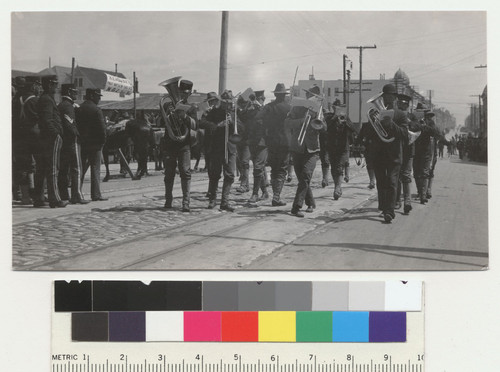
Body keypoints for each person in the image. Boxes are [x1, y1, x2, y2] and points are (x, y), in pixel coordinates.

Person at [369, 84, 410, 223]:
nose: (386, 98)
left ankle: (389, 211)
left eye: (389, 95)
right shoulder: (376, 113)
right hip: (379, 154)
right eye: (384, 96)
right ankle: (383, 206)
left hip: (394, 154)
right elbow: (371, 134)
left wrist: (391, 124)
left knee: (392, 182)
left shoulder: (401, 115)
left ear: (394, 97)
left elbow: (405, 134)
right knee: (381, 183)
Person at [285, 85, 327, 217]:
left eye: (316, 97)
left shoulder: (319, 110)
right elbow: (287, 123)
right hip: (297, 147)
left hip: (312, 149)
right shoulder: (297, 107)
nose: (313, 98)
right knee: (303, 179)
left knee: (306, 176)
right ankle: (311, 203)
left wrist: (318, 123)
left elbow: (324, 128)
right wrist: (303, 120)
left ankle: (296, 207)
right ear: (307, 96)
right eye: (311, 95)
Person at [200, 90, 244, 211]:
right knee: (215, 174)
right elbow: (202, 123)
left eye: (229, 102)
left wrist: (232, 122)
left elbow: (242, 128)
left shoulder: (233, 113)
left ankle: (224, 201)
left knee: (229, 175)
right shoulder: (214, 112)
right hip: (217, 147)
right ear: (221, 102)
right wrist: (218, 125)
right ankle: (212, 199)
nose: (227, 104)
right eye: (225, 102)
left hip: (230, 148)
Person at [255, 83, 291, 206]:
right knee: (282, 168)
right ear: (284, 95)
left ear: (275, 94)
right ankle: (276, 196)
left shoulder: (268, 107)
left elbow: (258, 118)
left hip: (271, 141)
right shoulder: (289, 108)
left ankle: (275, 195)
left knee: (274, 168)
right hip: (285, 142)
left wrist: (267, 128)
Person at [35, 75, 68, 208]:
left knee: (42, 169)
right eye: (55, 84)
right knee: (53, 168)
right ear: (49, 85)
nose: (56, 87)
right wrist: (56, 134)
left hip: (44, 138)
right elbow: (48, 120)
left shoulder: (44, 98)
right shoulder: (48, 100)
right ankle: (55, 199)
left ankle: (39, 198)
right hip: (51, 138)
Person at [162, 102, 197, 212]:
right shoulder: (168, 105)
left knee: (185, 172)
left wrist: (184, 116)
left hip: (184, 145)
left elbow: (195, 125)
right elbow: (160, 122)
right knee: (169, 173)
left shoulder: (190, 108)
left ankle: (186, 202)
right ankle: (168, 200)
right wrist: (167, 113)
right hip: (170, 145)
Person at [58, 83, 89, 204]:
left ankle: (64, 194)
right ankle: (77, 195)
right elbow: (70, 124)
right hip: (72, 141)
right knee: (77, 168)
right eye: (75, 92)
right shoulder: (68, 106)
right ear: (70, 92)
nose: (76, 94)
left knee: (64, 169)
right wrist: (77, 135)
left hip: (63, 141)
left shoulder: (61, 105)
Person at [12, 76, 40, 205]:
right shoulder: (34, 100)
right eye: (37, 85)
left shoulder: (16, 99)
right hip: (33, 137)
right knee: (34, 166)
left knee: (22, 166)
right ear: (33, 86)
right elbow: (38, 118)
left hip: (18, 136)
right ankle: (35, 194)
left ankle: (25, 196)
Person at [77, 88, 107, 201]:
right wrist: (103, 142)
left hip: (83, 143)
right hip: (95, 145)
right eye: (98, 96)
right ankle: (96, 194)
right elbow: (102, 129)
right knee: (95, 169)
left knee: (81, 169)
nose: (99, 98)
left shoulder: (80, 108)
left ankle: (77, 192)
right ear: (92, 96)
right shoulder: (96, 110)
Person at [239, 90, 268, 203]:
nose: (255, 101)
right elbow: (241, 117)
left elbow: (267, 121)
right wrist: (247, 107)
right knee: (258, 169)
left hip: (263, 142)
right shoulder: (250, 111)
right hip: (252, 142)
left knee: (257, 167)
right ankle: (265, 192)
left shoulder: (265, 110)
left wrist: (259, 107)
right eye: (254, 99)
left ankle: (255, 194)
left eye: (258, 99)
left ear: (262, 100)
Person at [325, 103, 355, 200]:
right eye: (335, 107)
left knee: (339, 167)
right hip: (332, 146)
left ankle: (337, 188)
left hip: (343, 147)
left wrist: (346, 122)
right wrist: (334, 118)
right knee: (334, 168)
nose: (337, 109)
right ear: (333, 108)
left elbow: (353, 129)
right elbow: (325, 128)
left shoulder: (346, 117)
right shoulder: (329, 117)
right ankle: (337, 186)